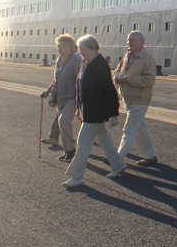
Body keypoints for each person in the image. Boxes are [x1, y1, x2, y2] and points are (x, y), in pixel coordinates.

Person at [63, 35, 126, 187]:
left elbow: (109, 90)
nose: (81, 53)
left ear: (93, 49)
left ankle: (76, 177)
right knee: (104, 140)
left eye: (83, 50)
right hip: (89, 110)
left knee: (82, 144)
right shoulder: (87, 62)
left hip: (95, 112)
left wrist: (113, 113)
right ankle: (118, 165)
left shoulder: (99, 65)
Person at [114, 31, 158, 166]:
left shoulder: (147, 59)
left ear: (142, 42)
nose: (129, 43)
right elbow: (118, 70)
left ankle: (116, 159)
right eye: (128, 40)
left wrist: (128, 79)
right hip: (128, 98)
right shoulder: (127, 55)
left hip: (140, 99)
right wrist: (116, 76)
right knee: (139, 128)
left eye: (132, 40)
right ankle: (150, 155)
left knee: (129, 129)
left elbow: (149, 80)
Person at [40, 34, 81, 162]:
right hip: (61, 97)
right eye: (58, 46)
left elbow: (80, 79)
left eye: (62, 46)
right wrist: (48, 91)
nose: (59, 49)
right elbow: (56, 79)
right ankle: (68, 148)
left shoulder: (76, 60)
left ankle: (70, 151)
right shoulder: (59, 60)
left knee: (63, 121)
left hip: (73, 97)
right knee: (62, 122)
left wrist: (80, 96)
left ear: (70, 46)